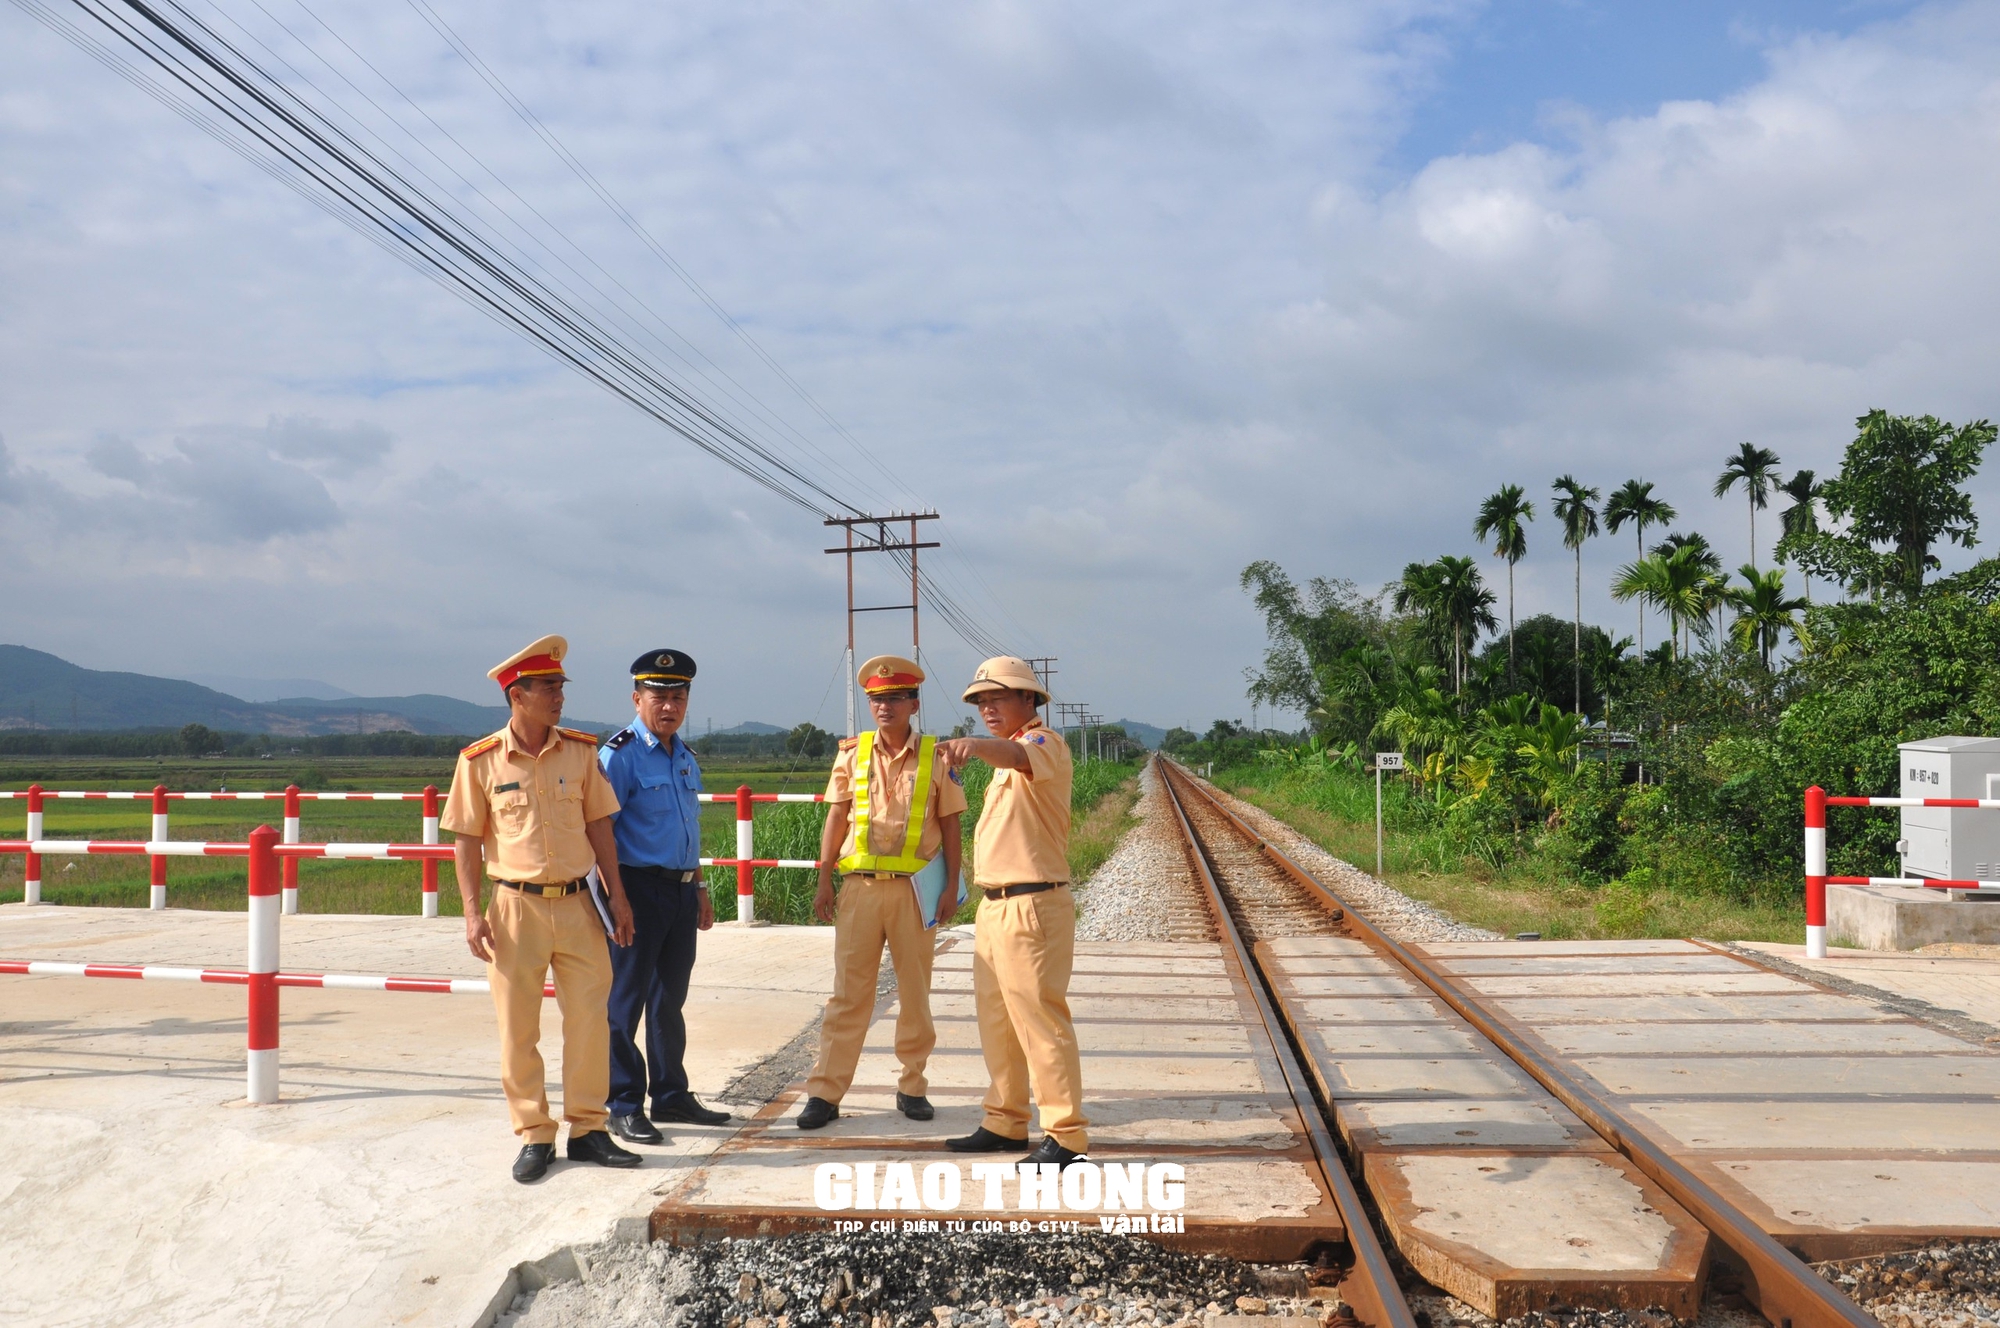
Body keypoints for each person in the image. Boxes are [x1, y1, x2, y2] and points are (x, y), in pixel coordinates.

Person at [443, 634, 643, 1184]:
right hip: (514, 909)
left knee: (589, 1023)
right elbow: (464, 838)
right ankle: (534, 1134)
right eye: (548, 686)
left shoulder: (580, 752)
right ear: (517, 695)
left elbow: (600, 825)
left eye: (560, 685)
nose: (559, 695)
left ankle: (587, 1129)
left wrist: (617, 895)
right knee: (517, 1029)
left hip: (579, 905)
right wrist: (470, 912)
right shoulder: (479, 762)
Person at [794, 655, 966, 1130]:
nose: (883, 706)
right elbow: (836, 817)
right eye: (876, 699)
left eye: (893, 698)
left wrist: (951, 885)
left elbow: (950, 824)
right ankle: (825, 1093)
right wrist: (823, 877)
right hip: (859, 891)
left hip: (915, 893)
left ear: (914, 702)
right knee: (848, 995)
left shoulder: (936, 755)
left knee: (915, 993)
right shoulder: (851, 752)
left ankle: (913, 1086)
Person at [935, 655, 1088, 1167]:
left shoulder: (1042, 744)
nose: (987, 708)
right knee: (998, 1022)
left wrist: (974, 746)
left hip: (1033, 904)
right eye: (980, 702)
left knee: (1041, 1021)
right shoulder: (1008, 758)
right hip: (996, 905)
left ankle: (1065, 1134)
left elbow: (1011, 755)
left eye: (997, 698)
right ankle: (1005, 1120)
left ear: (1030, 700)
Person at [596, 648, 731, 1143]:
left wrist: (699, 887)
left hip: (678, 892)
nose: (669, 706)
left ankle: (671, 1095)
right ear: (637, 698)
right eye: (659, 697)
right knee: (624, 1001)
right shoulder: (621, 754)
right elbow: (601, 833)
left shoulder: (684, 756)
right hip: (635, 888)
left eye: (678, 697)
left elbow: (685, 829)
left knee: (669, 999)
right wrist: (616, 899)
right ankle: (623, 1102)